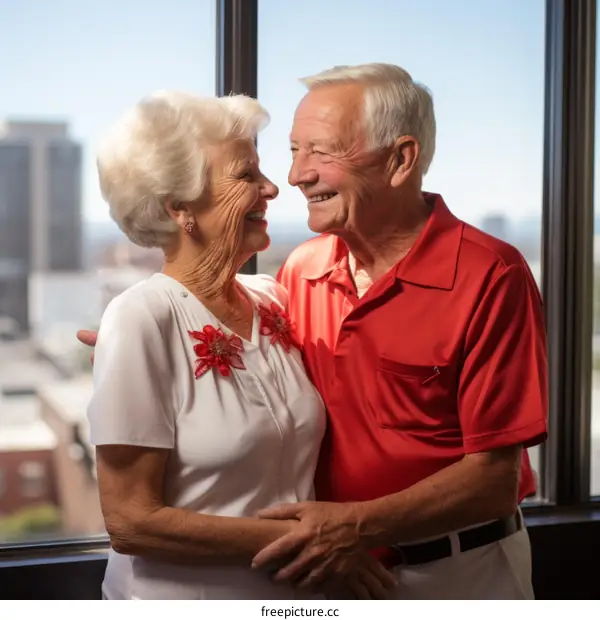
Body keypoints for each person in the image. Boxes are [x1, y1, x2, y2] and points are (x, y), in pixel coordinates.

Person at [79, 63, 548, 600]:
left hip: (458, 573)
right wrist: (132, 355)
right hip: (329, 574)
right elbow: (138, 502)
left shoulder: (491, 274)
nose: (293, 177)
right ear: (179, 207)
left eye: (320, 152)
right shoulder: (300, 272)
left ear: (401, 159)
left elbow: (494, 480)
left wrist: (351, 530)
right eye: (294, 150)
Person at [81, 90, 396, 600]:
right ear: (179, 205)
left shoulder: (272, 298)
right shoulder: (139, 318)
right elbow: (131, 523)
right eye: (245, 175)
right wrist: (316, 541)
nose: (272, 187)